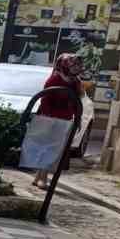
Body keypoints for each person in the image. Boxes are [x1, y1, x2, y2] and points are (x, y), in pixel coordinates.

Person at [24, 54, 83, 188]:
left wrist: (77, 117)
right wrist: (49, 118)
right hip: (49, 118)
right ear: (64, 65)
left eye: (78, 66)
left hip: (65, 119)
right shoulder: (54, 79)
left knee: (53, 149)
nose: (76, 68)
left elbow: (77, 102)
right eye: (73, 65)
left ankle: (39, 176)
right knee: (47, 148)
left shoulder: (75, 82)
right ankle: (43, 179)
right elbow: (45, 99)